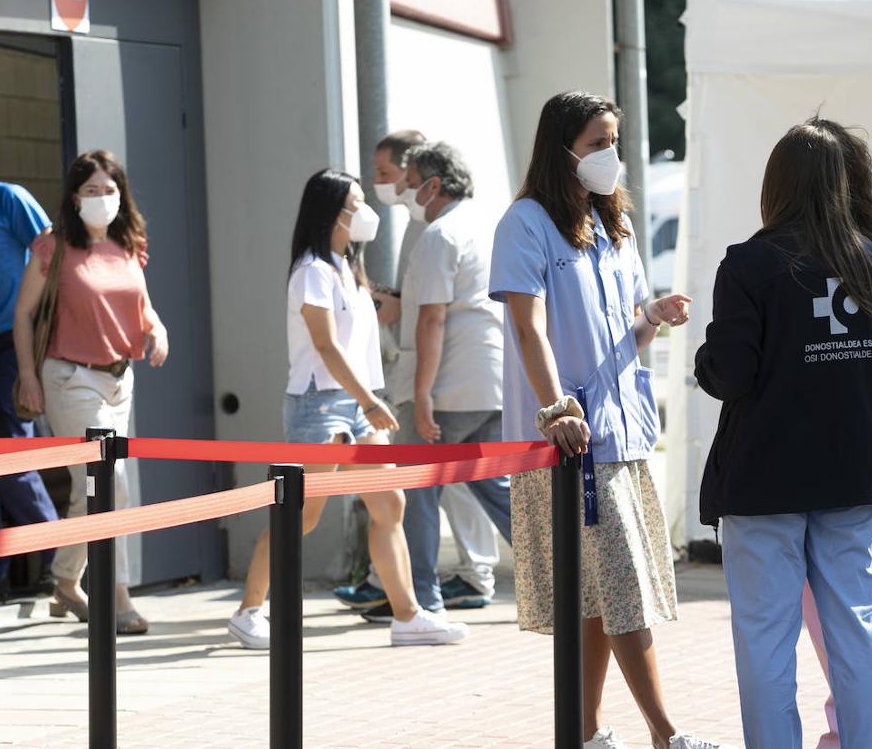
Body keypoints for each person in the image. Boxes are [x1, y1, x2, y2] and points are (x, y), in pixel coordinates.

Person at [490, 91, 723, 749]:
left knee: (598, 597)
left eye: (613, 142)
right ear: (561, 149)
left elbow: (626, 332)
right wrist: (555, 407)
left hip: (620, 436)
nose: (610, 155)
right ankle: (666, 736)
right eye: (597, 143)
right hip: (569, 441)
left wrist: (653, 316)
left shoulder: (612, 225)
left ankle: (586, 732)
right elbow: (529, 328)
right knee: (623, 593)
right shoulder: (525, 223)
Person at [694, 118, 872, 749]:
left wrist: (705, 359)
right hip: (855, 471)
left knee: (765, 636)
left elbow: (730, 372)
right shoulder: (871, 260)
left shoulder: (748, 264)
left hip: (766, 476)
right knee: (859, 629)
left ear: (776, 185)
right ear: (840, 183)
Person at [227, 168, 469, 649]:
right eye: (355, 203)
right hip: (321, 404)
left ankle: (408, 616)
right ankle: (248, 611)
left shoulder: (346, 266)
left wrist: (368, 399)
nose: (365, 212)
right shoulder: (312, 271)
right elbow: (326, 346)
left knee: (389, 504)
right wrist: (369, 400)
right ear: (331, 212)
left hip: (359, 403)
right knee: (300, 514)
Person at [336, 130, 510, 614]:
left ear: (434, 186)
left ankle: (419, 600)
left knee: (418, 492)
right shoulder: (483, 225)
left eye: (410, 182)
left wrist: (423, 393)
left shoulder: (438, 235)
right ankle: (570, 574)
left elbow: (432, 319)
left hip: (448, 385)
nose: (405, 192)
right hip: (488, 382)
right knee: (493, 488)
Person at [14, 150, 169, 636]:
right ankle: (116, 595)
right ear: (74, 197)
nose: (102, 198)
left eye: (109, 190)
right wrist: (28, 375)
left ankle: (65, 580)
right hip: (70, 379)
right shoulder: (54, 246)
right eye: (91, 190)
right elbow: (23, 315)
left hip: (119, 380)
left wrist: (158, 329)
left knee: (94, 489)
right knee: (112, 480)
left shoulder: (129, 244)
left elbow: (143, 308)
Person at [798, 119, 872, 749]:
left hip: (856, 448)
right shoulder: (852, 253)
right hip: (846, 449)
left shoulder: (867, 256)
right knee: (843, 595)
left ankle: (866, 726)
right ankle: (862, 723)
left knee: (857, 595)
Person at [0, 171, 60, 601]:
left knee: (5, 452)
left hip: (11, 341)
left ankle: (60, 558)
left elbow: (52, 255)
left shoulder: (6, 198)